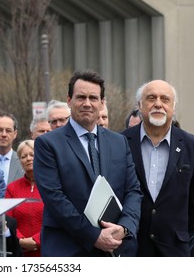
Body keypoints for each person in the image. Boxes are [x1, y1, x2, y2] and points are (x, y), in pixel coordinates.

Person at [33, 69, 142, 257]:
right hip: (68, 249)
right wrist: (94, 236)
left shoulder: (119, 142)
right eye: (80, 97)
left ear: (102, 103)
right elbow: (54, 198)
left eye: (93, 98)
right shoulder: (48, 143)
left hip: (116, 248)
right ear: (69, 100)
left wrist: (124, 227)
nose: (87, 103)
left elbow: (133, 190)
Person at [121, 80, 194, 256]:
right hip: (131, 248)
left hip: (177, 251)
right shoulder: (120, 143)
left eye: (165, 99)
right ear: (140, 106)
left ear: (173, 107)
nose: (158, 104)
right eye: (151, 98)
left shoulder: (193, 146)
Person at [5, 140, 43, 257]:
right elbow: (7, 220)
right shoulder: (12, 188)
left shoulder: (50, 185)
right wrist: (20, 240)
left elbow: (55, 219)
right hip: (20, 252)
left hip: (47, 249)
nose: (28, 158)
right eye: (24, 156)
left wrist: (36, 241)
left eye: (32, 155)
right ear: (19, 161)